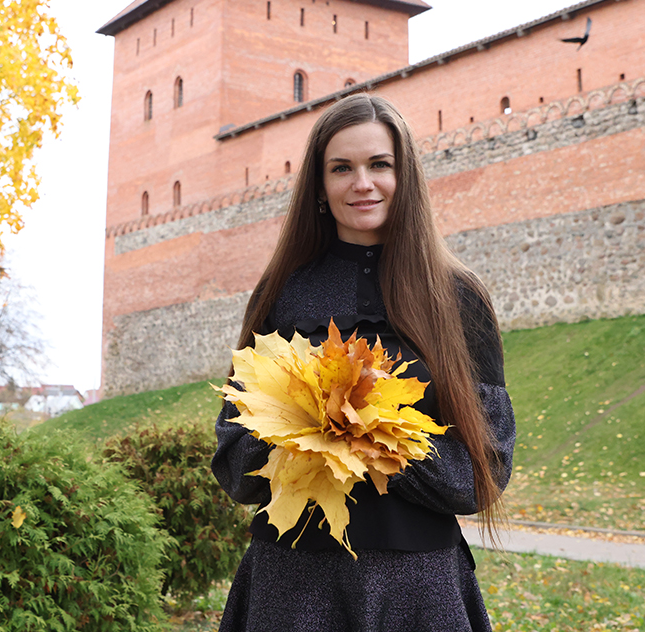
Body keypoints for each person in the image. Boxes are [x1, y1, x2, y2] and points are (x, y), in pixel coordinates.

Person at [211, 93, 515, 632]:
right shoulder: (282, 293)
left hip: (419, 591)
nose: (362, 183)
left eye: (380, 164)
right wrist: (305, 424)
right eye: (341, 168)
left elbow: (480, 477)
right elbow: (236, 467)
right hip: (292, 585)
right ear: (320, 187)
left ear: (406, 176)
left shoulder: (460, 298)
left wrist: (370, 432)